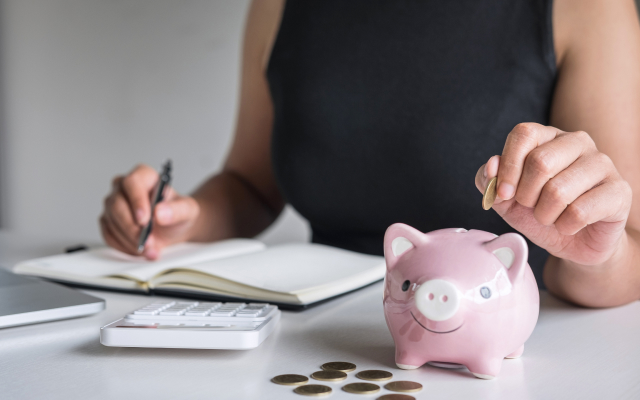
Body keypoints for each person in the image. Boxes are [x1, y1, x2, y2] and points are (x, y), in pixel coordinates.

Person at [100, 0, 640, 308]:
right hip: (311, 339)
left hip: (505, 343)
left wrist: (599, 256)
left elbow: (626, 246)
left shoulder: (586, 8)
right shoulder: (279, 5)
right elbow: (250, 183)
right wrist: (180, 219)